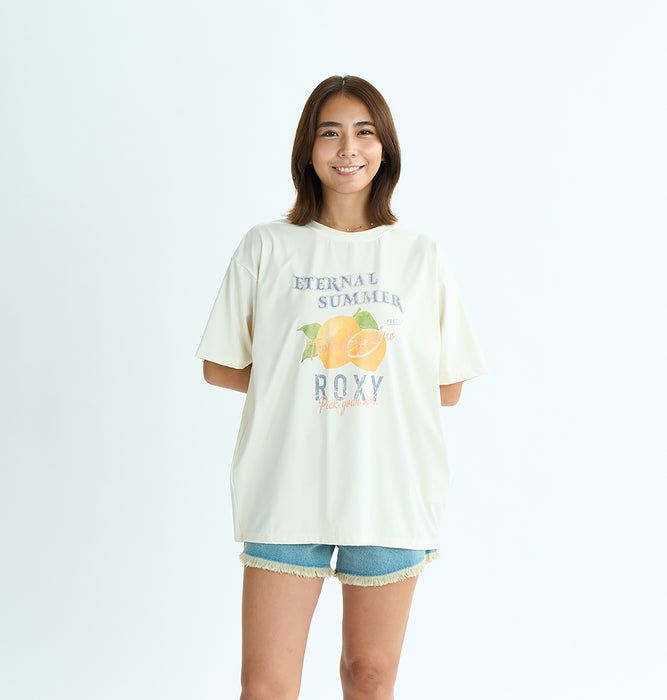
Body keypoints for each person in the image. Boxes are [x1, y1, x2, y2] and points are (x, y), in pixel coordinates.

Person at [195, 75, 488, 700]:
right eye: (330, 132)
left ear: (385, 149)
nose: (348, 148)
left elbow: (448, 387)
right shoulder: (267, 246)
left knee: (369, 676)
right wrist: (297, 380)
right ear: (308, 147)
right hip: (286, 484)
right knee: (265, 685)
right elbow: (219, 365)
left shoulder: (420, 254)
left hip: (389, 491)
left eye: (364, 132)